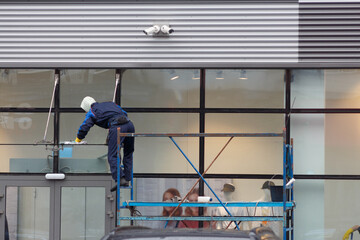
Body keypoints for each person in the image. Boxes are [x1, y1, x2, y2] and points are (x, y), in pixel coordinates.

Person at [75, 96, 135, 190]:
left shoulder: (92, 111)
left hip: (117, 127)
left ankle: (120, 179)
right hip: (130, 125)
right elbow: (124, 113)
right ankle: (127, 178)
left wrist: (78, 139)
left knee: (113, 155)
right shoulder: (110, 104)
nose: (86, 112)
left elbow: (85, 126)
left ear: (87, 107)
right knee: (128, 152)